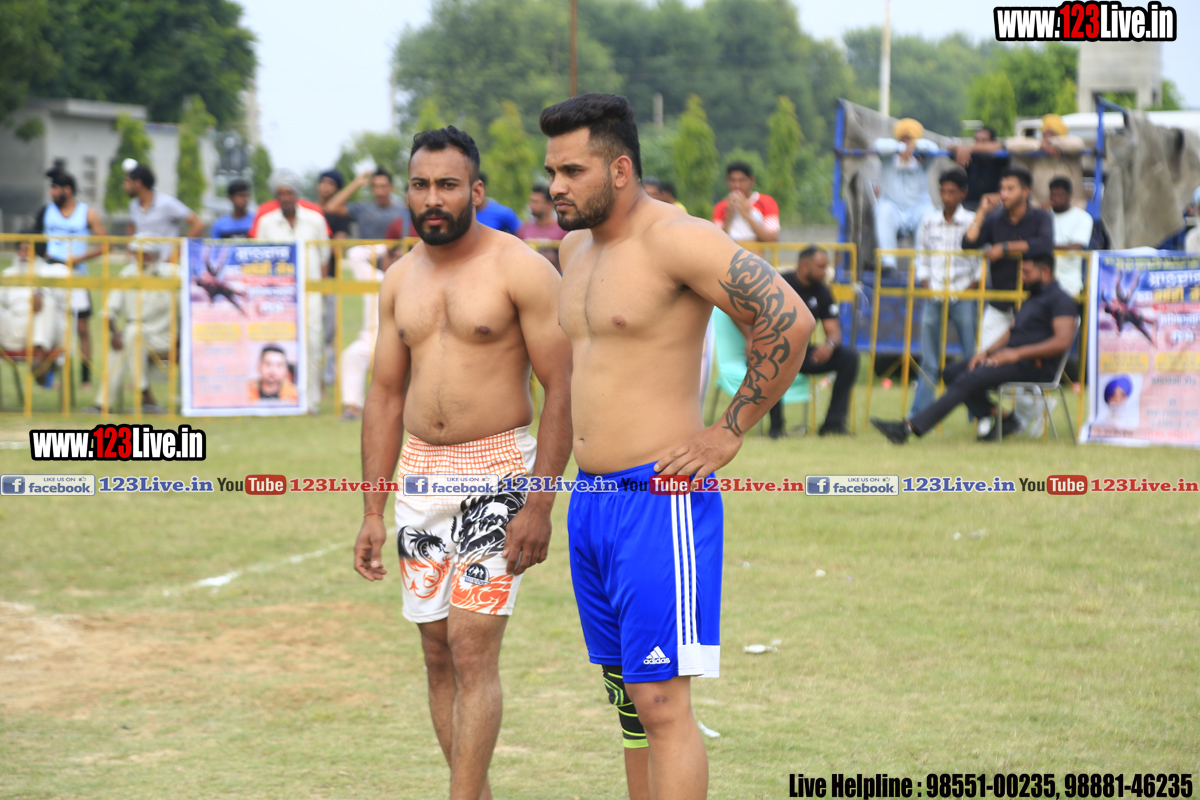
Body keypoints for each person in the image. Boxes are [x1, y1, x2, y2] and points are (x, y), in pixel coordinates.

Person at [542, 93, 812, 800]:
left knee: (663, 705)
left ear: (620, 169)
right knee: (631, 706)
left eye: (572, 171)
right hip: (592, 501)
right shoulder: (573, 249)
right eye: (552, 172)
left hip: (660, 500)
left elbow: (790, 319)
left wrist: (729, 429)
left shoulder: (678, 239)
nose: (556, 186)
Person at [354, 126, 573, 800]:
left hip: (499, 472)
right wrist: (371, 510)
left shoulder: (521, 269)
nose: (432, 198)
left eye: (447, 185)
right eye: (421, 185)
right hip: (420, 475)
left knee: (473, 647)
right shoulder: (398, 280)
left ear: (476, 191)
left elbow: (561, 387)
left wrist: (539, 502)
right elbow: (384, 394)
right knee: (436, 652)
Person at [870, 252, 1076, 443]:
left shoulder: (1061, 301)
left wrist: (1016, 354)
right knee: (952, 373)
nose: (1022, 277)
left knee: (970, 378)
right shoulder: (1034, 298)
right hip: (1010, 358)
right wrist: (986, 352)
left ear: (1045, 272)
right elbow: (1011, 332)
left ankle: (907, 428)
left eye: (1027, 273)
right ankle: (1005, 419)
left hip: (1034, 366)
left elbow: (1062, 341)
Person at [253, 169, 331, 415]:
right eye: (281, 193)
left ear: (297, 194)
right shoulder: (266, 222)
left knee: (313, 342)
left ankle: (309, 401)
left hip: (310, 292)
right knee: (278, 343)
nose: (285, 197)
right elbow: (258, 260)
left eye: (289, 192)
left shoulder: (315, 220)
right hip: (277, 295)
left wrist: (321, 289)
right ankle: (279, 399)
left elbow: (324, 257)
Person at [765, 246, 859, 437]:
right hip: (772, 350)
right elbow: (749, 314)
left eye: (826, 267)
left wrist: (829, 346)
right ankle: (776, 428)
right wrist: (751, 339)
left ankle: (833, 424)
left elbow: (834, 330)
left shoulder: (822, 291)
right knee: (772, 360)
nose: (825, 272)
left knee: (849, 358)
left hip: (801, 354)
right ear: (805, 267)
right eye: (821, 267)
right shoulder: (779, 283)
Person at [83, 240, 179, 414]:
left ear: (156, 256)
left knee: (130, 335)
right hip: (134, 334)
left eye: (145, 255)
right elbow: (108, 311)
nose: (141, 259)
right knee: (130, 336)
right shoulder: (128, 273)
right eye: (137, 254)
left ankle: (106, 404)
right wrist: (115, 333)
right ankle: (142, 396)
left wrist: (181, 343)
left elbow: (185, 312)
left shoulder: (173, 273)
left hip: (164, 337)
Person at [911, 169, 978, 415]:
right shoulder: (928, 221)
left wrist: (967, 291)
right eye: (943, 192)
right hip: (935, 294)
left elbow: (979, 265)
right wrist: (927, 286)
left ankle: (977, 415)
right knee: (928, 359)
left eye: (952, 192)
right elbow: (922, 258)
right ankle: (919, 414)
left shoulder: (972, 221)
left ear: (963, 193)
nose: (947, 197)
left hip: (964, 295)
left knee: (972, 357)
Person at [39, 168, 108, 388]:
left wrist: (79, 258)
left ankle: (85, 378)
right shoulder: (46, 211)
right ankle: (50, 376)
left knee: (82, 328)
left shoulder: (87, 213)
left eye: (55, 188)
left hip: (76, 273)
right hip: (50, 273)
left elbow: (106, 245)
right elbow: (34, 238)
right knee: (49, 323)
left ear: (67, 190)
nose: (51, 193)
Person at [338, 243, 397, 420]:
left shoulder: (413, 279)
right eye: (392, 257)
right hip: (372, 337)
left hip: (401, 340)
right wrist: (386, 247)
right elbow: (354, 254)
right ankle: (352, 406)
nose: (395, 261)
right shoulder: (375, 277)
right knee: (351, 355)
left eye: (400, 258)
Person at [872, 118, 937, 269]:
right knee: (883, 211)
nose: (906, 142)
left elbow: (933, 148)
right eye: (903, 138)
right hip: (893, 207)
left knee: (929, 216)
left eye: (910, 138)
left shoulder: (923, 156)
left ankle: (920, 266)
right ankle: (888, 261)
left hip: (918, 208)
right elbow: (878, 145)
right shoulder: (889, 155)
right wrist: (901, 147)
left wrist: (914, 146)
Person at [0, 239, 70, 378]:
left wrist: (42, 291)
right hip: (13, 333)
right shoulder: (8, 274)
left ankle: (39, 360)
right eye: (20, 250)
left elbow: (65, 299)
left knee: (48, 302)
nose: (22, 255)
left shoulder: (53, 271)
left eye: (27, 250)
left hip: (45, 332)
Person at [1006, 114, 1086, 209]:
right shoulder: (1036, 153)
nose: (1048, 137)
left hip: (1072, 208)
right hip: (1041, 209)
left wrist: (1053, 143)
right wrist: (1039, 145)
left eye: (1053, 134)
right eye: (1045, 134)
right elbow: (1010, 144)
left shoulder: (1071, 153)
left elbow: (1079, 144)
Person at [324, 166, 411, 240]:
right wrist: (356, 183)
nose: (379, 191)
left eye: (383, 186)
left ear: (392, 187)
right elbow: (331, 207)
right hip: (365, 253)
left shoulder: (403, 210)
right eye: (375, 186)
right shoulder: (362, 208)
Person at [124, 162, 205, 239]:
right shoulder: (133, 205)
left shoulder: (166, 203)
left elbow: (197, 224)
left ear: (138, 183)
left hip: (167, 250)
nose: (124, 186)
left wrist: (182, 246)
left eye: (128, 181)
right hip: (140, 250)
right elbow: (131, 229)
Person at [1048, 176, 1094, 298]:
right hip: (1044, 284)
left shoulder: (1083, 218)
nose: (1056, 199)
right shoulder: (1044, 216)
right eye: (1053, 195)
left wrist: (1045, 246)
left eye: (1060, 195)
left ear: (1070, 195)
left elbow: (1076, 247)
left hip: (1070, 284)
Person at [712, 161, 780, 243]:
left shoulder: (767, 202)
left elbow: (772, 239)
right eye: (733, 180)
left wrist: (747, 215)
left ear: (752, 181)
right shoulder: (721, 206)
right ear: (727, 181)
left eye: (742, 180)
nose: (737, 185)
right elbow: (717, 241)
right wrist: (729, 216)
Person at [953, 126, 1009, 212]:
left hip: (993, 205)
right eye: (977, 140)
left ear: (992, 141)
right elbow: (949, 148)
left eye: (984, 140)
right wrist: (960, 148)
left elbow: (999, 147)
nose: (979, 144)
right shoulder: (971, 157)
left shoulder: (999, 157)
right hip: (969, 206)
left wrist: (970, 148)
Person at [517, 184, 567, 270]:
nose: (531, 205)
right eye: (531, 201)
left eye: (536, 202)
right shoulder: (524, 229)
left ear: (548, 205)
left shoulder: (563, 229)